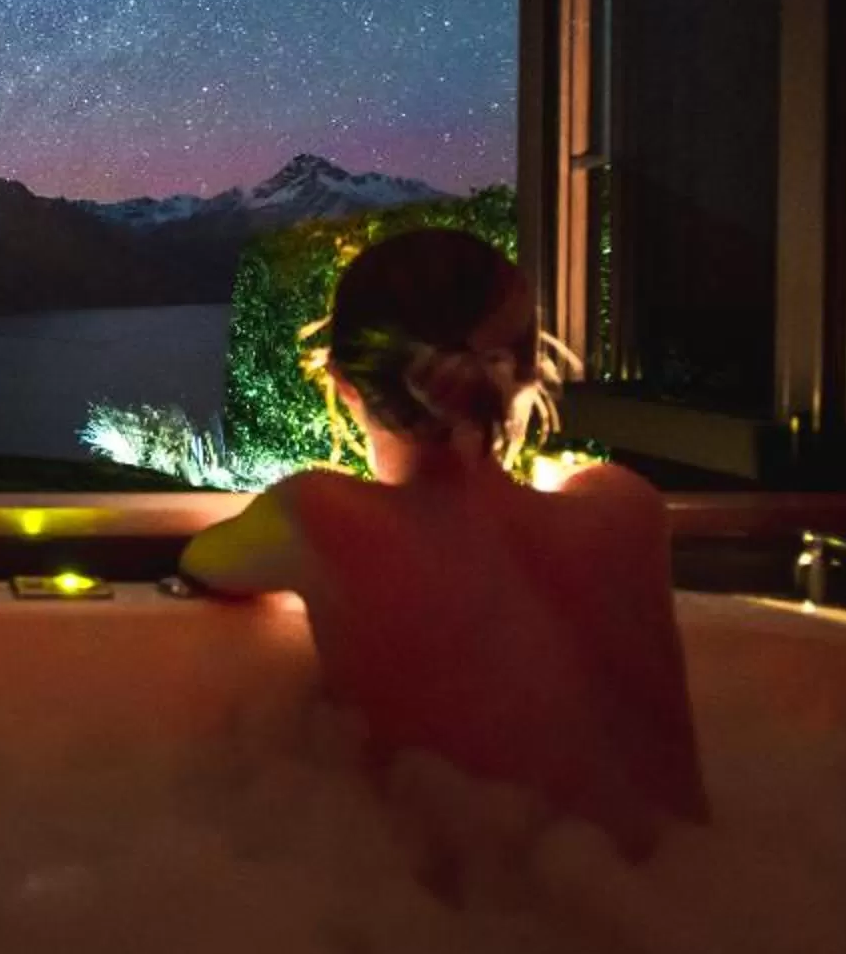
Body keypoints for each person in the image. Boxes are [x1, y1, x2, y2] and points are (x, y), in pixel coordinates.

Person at [179, 229, 707, 856]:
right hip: (693, 906)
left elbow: (205, 560)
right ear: (530, 372)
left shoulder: (323, 515)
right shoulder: (626, 509)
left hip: (475, 931)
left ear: (345, 385)